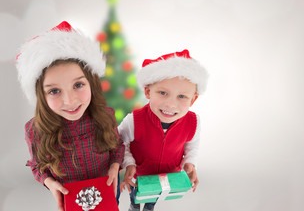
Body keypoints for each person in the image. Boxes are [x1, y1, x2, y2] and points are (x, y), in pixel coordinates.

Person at [16, 21, 125, 211]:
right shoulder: (36, 130)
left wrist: (115, 166)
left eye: (78, 85)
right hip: (72, 199)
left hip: (108, 189)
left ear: (91, 83)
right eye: (55, 91)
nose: (69, 100)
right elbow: (37, 166)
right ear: (41, 95)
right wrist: (49, 182)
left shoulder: (105, 115)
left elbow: (116, 146)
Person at [118, 49, 208, 211]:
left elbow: (192, 144)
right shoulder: (134, 120)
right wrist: (129, 163)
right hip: (140, 175)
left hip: (166, 177)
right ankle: (134, 205)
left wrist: (190, 162)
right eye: (163, 93)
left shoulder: (193, 122)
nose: (170, 105)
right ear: (148, 91)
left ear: (193, 99)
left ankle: (150, 207)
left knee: (154, 196)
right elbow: (120, 143)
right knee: (137, 196)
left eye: (182, 96)